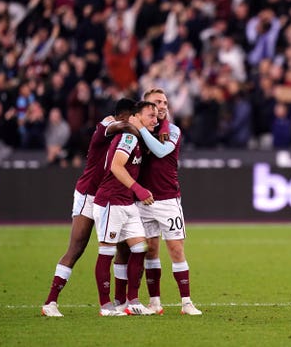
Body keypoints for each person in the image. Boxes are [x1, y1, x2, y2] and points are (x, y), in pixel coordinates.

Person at [41, 98, 138, 317]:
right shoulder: (109, 125)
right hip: (89, 195)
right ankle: (50, 302)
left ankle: (120, 302)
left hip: (112, 197)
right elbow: (118, 125)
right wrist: (138, 128)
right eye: (135, 116)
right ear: (126, 115)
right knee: (77, 248)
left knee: (123, 248)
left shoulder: (128, 138)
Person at [130, 88, 202, 316]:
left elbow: (161, 152)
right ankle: (155, 302)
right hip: (143, 200)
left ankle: (186, 302)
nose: (162, 106)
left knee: (176, 248)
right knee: (150, 250)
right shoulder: (136, 128)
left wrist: (141, 128)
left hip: (168, 199)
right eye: (156, 102)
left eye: (165, 102)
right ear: (145, 106)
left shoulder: (172, 130)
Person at [92, 101, 158, 317]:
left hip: (126, 202)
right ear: (135, 117)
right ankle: (106, 306)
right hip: (111, 201)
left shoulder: (137, 139)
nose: (155, 121)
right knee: (107, 252)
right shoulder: (129, 138)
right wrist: (139, 189)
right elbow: (116, 166)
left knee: (140, 248)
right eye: (150, 116)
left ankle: (132, 301)